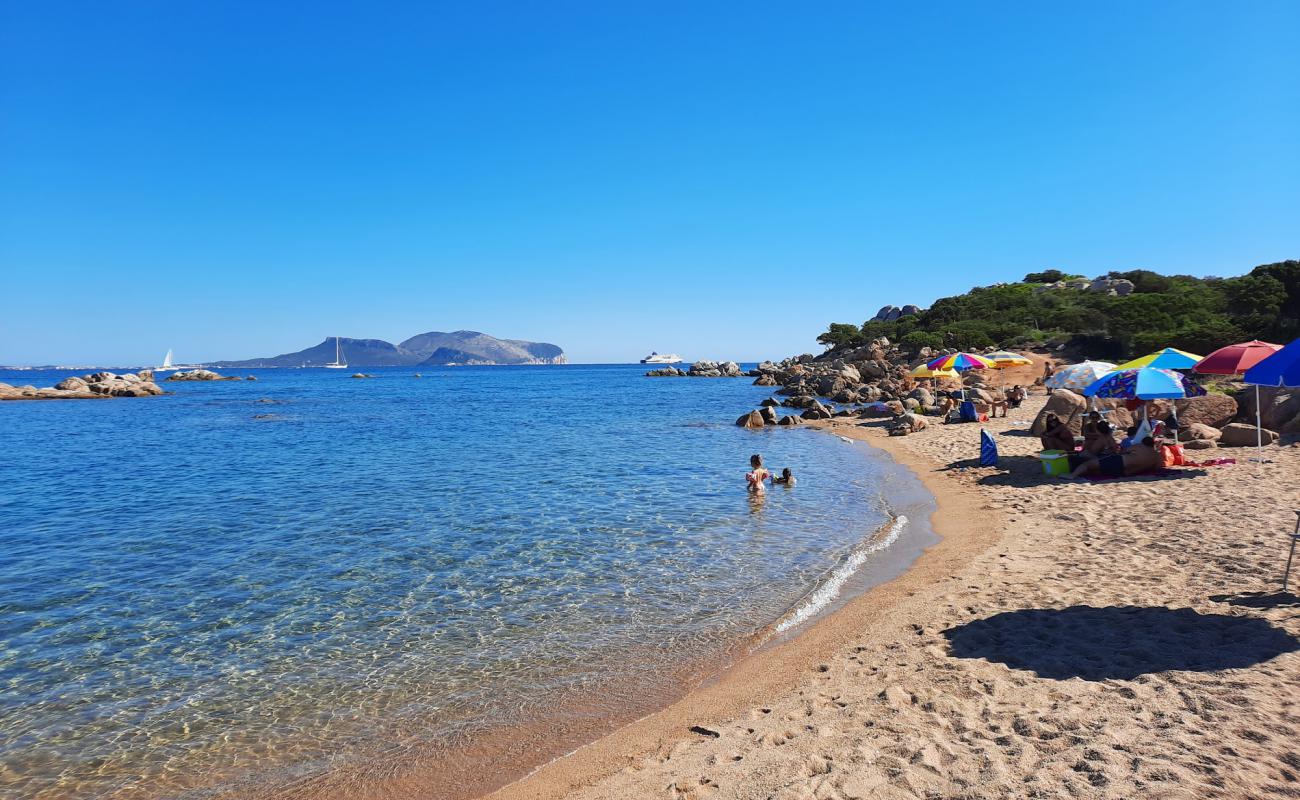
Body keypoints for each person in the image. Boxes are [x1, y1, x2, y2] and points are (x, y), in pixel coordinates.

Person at [1065, 436, 1162, 479]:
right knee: (1095, 471)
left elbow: (1122, 452)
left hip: (1120, 462)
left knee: (1088, 465)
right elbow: (1157, 468)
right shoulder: (1157, 456)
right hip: (1125, 473)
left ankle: (1072, 475)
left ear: (1143, 442)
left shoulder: (1139, 446)